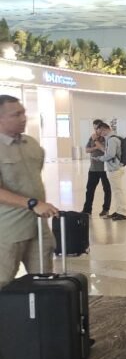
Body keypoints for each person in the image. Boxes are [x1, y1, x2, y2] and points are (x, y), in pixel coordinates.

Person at [0, 95, 59, 288]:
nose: (23, 118)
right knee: (3, 280)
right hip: (9, 231)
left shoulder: (31, 144)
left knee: (43, 281)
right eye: (16, 114)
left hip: (38, 227)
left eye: (23, 113)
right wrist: (32, 203)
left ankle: (37, 310)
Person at [93, 122, 126, 220]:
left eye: (100, 132)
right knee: (117, 191)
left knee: (118, 191)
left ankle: (123, 213)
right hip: (117, 167)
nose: (100, 134)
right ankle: (119, 211)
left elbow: (110, 154)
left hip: (115, 169)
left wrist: (100, 158)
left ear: (104, 129)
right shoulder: (114, 137)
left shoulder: (112, 139)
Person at [81, 119, 111, 218]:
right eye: (94, 128)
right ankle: (87, 210)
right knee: (89, 189)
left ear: (102, 128)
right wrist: (95, 147)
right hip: (93, 169)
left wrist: (96, 142)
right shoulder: (92, 137)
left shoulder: (106, 138)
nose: (96, 131)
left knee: (107, 189)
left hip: (104, 169)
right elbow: (87, 150)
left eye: (97, 128)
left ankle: (105, 210)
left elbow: (104, 149)